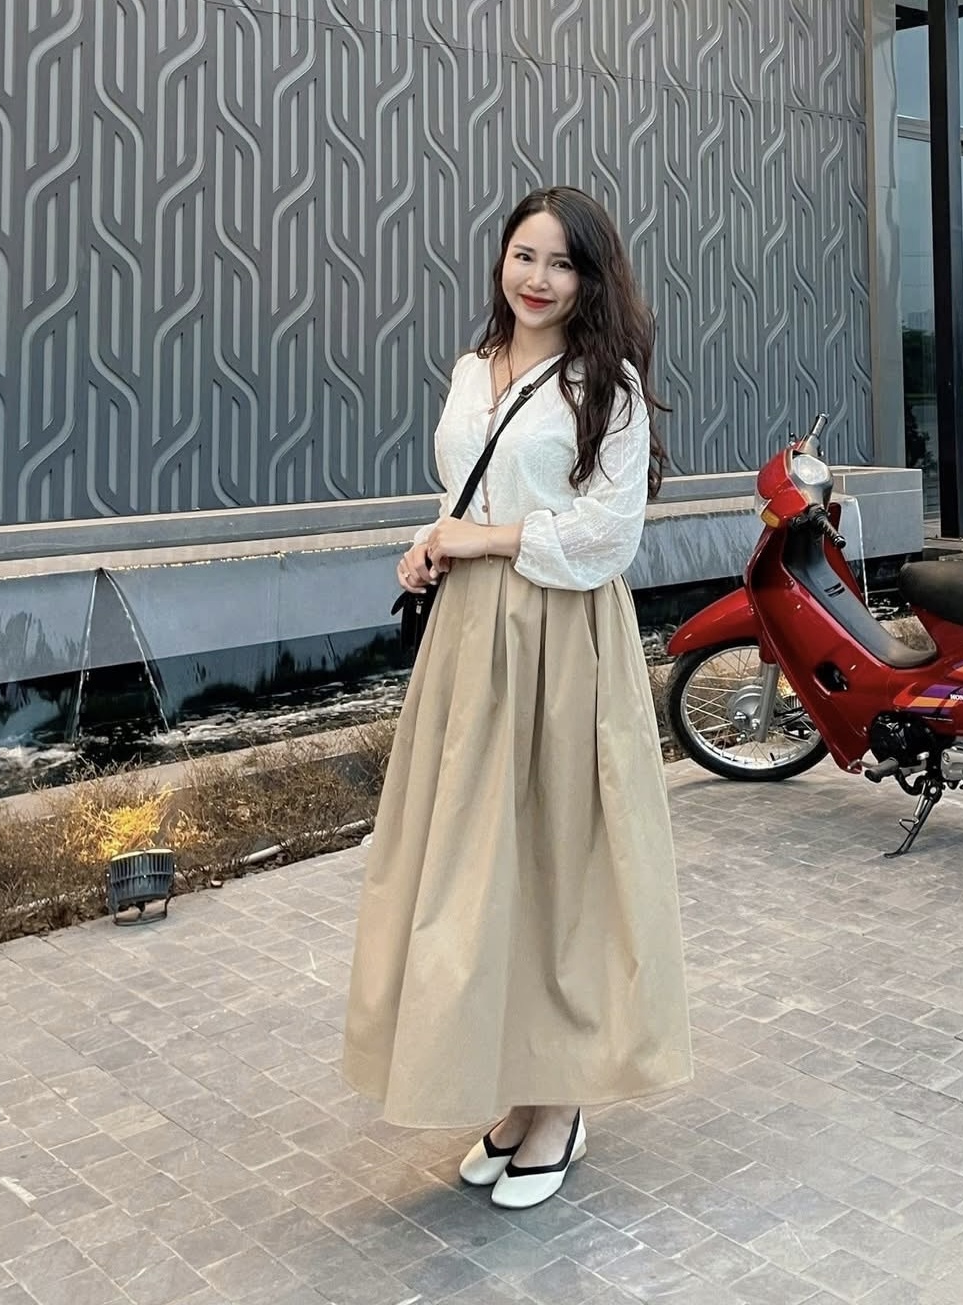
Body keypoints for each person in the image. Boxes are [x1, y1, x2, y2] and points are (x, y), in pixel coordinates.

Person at [342, 186, 692, 1210]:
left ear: (592, 278)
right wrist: (428, 543)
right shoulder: (472, 369)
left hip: (561, 639)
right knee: (471, 866)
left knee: (551, 859)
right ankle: (513, 1084)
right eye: (524, 255)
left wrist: (482, 540)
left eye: (562, 262)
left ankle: (559, 1102)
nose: (538, 278)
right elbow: (465, 491)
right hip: (468, 644)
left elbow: (609, 531)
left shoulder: (605, 384)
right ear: (501, 261)